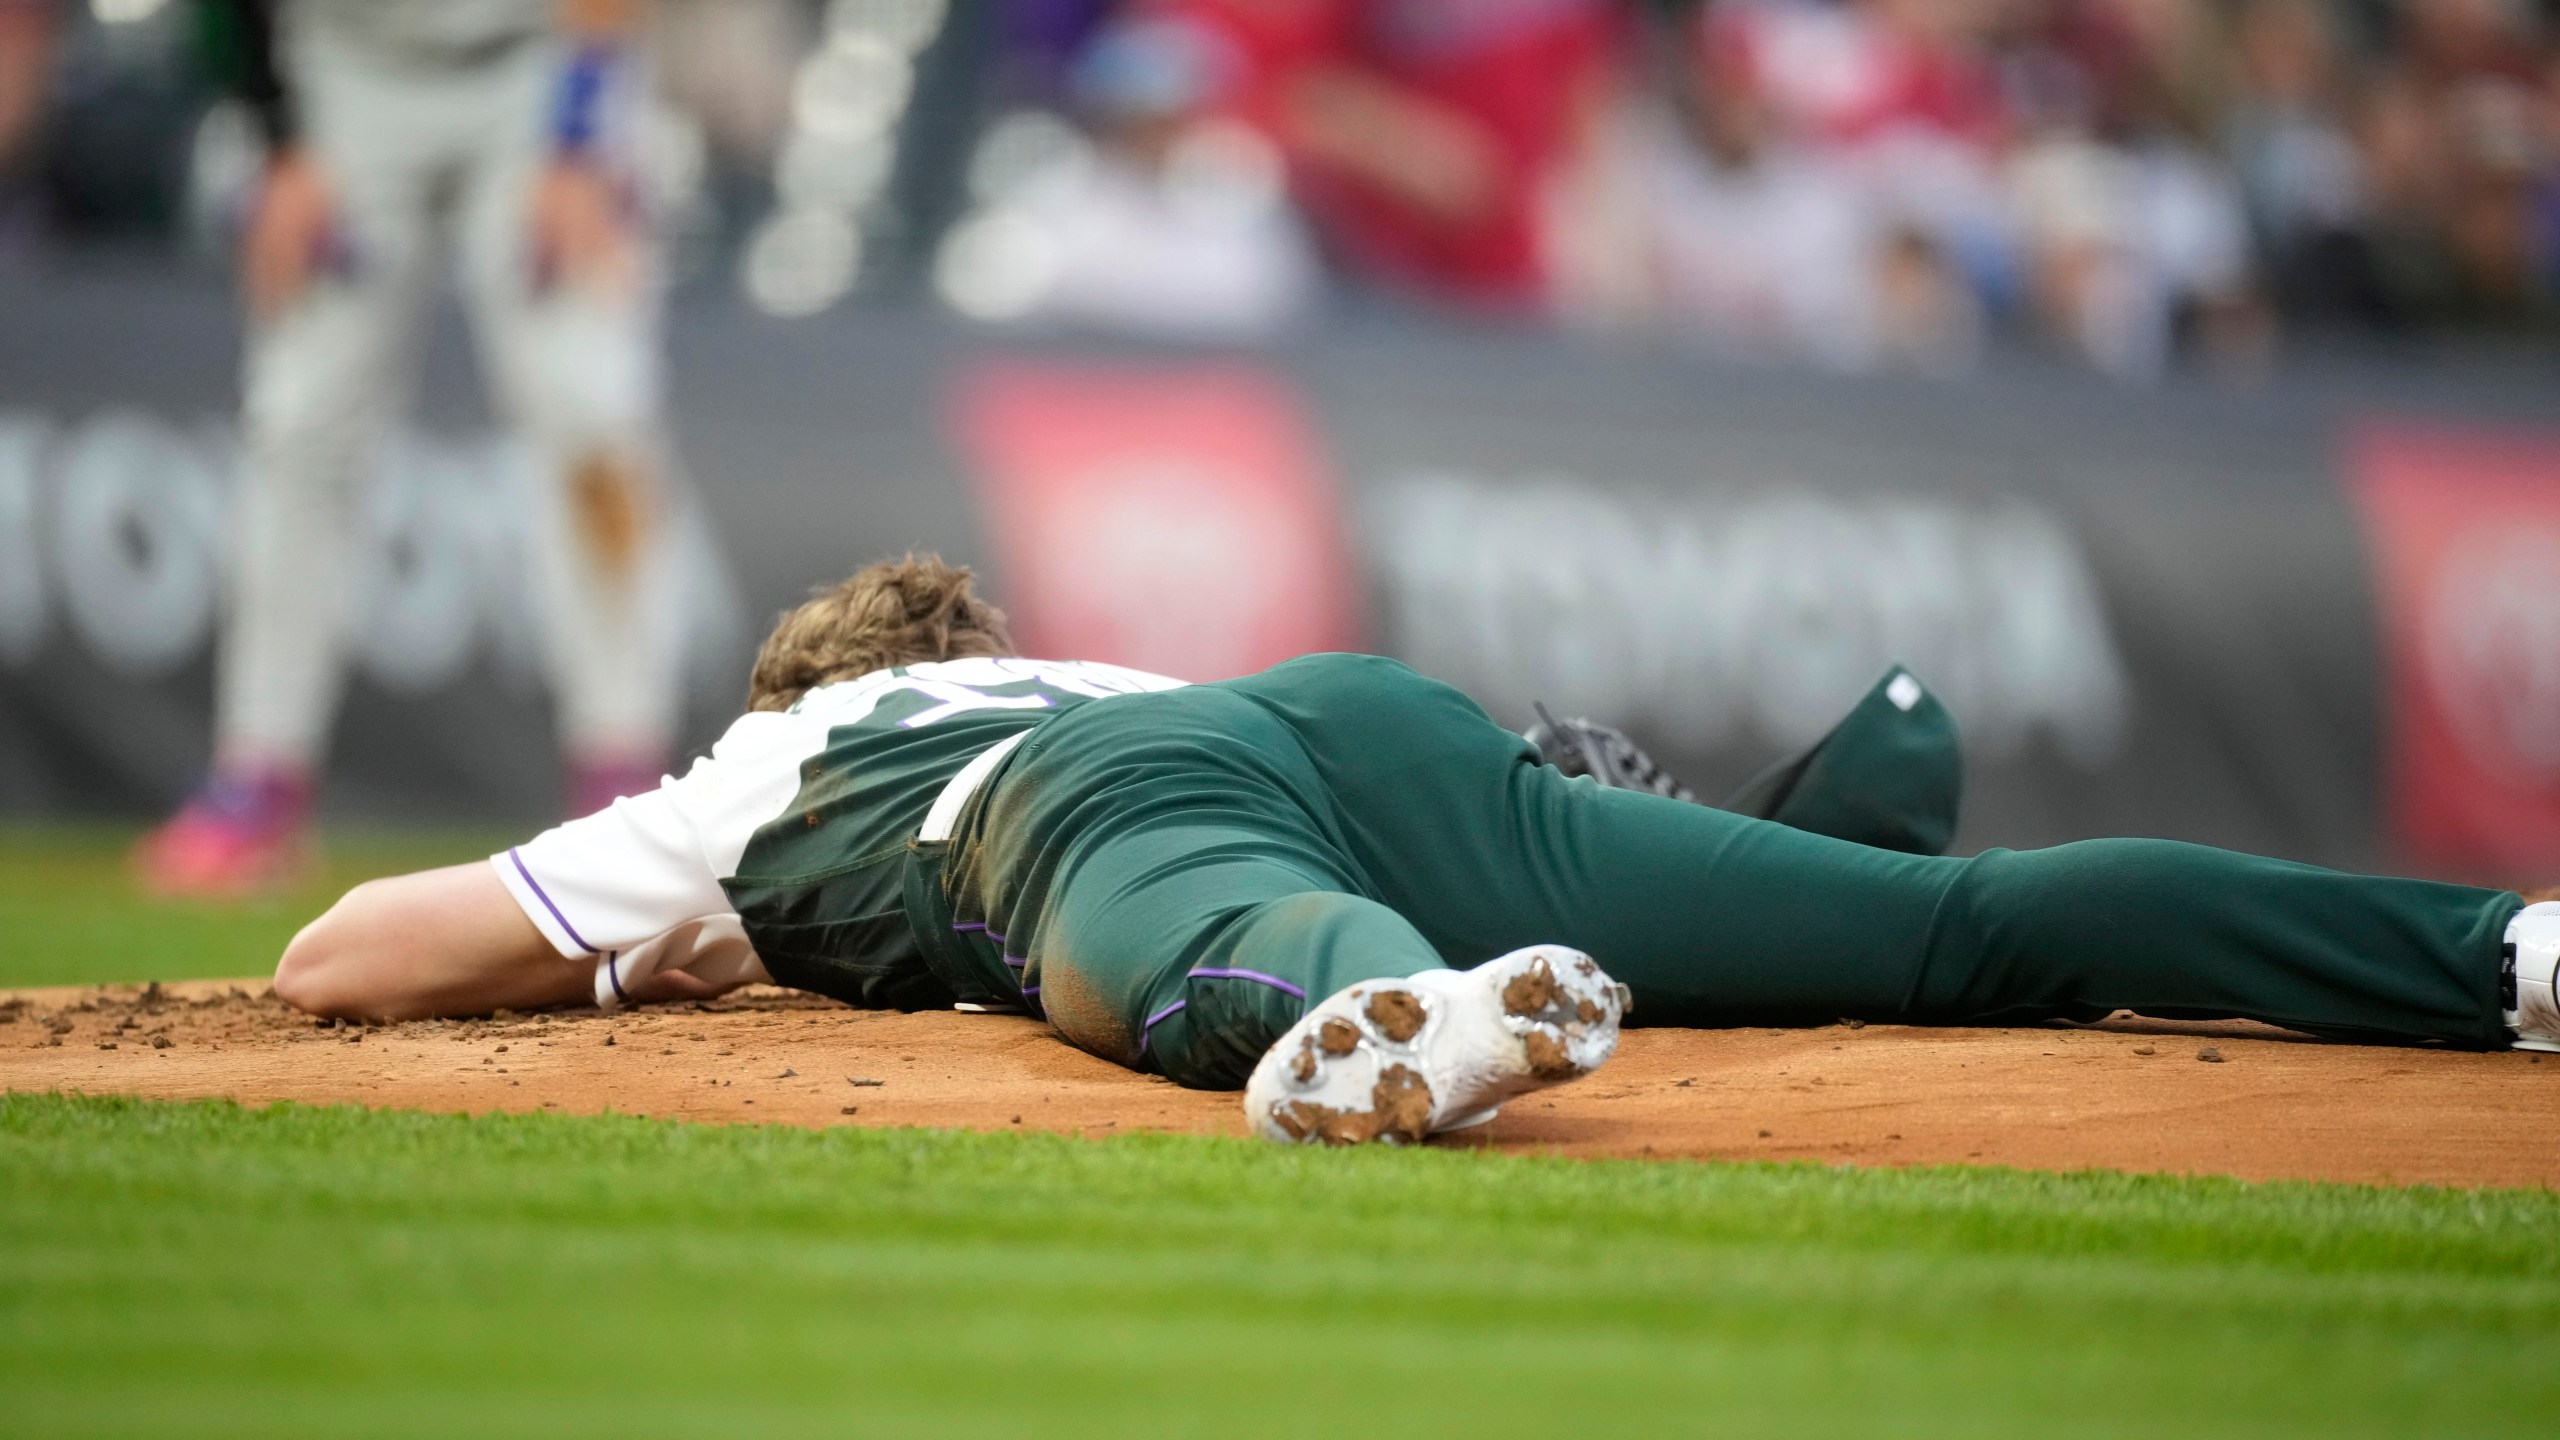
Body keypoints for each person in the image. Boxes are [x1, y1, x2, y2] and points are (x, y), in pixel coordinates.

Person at [271, 555, 2559, 1147]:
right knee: (1947, 931)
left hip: (1102, 820)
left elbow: (342, 960)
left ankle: (1394, 1030)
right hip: (1344, 710)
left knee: (1243, 937)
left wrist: (657, 929)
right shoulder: (1061, 662)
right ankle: (2503, 948)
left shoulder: (756, 774)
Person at [137, 0, 686, 896]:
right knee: (297, 421)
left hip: (540, 60)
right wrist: (277, 135)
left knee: (594, 415)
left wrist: (581, 128)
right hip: (339, 70)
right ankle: (258, 779)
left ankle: (621, 779)